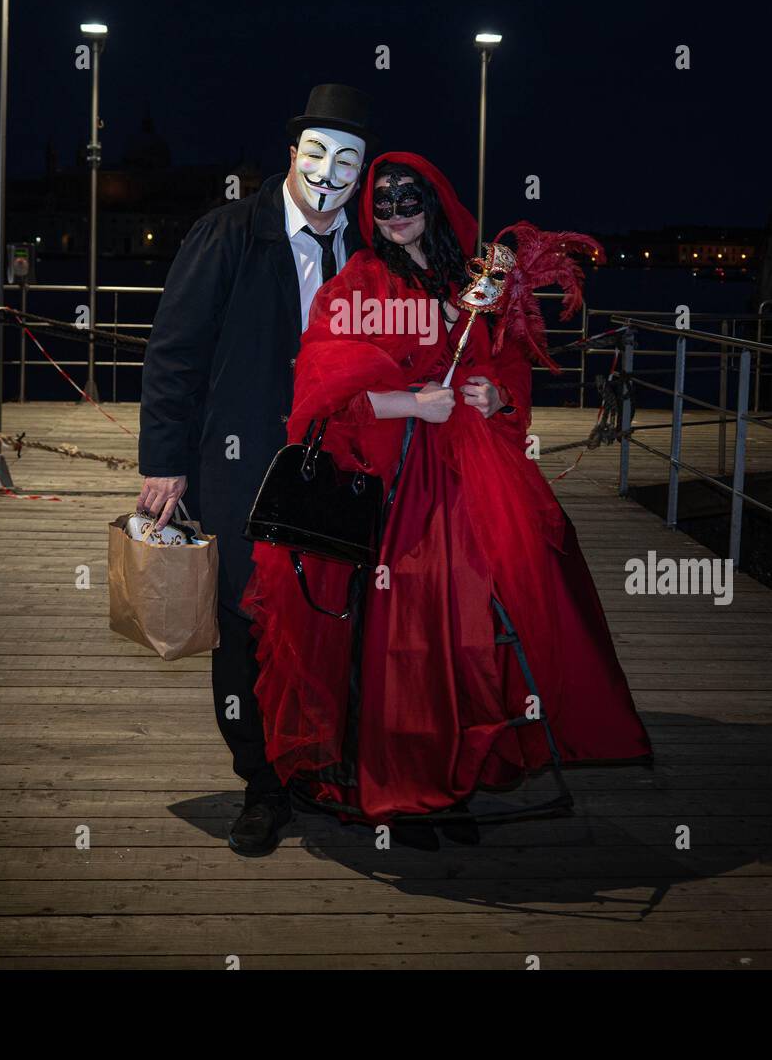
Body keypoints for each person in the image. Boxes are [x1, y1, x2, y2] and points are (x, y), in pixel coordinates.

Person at [240, 151, 652, 849]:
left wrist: (497, 397)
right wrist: (409, 401)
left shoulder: (474, 282)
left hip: (471, 478)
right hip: (393, 482)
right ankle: (401, 789)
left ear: (433, 202)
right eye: (384, 204)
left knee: (468, 633)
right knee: (399, 640)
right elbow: (320, 391)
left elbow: (507, 368)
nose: (398, 214)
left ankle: (457, 777)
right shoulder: (356, 285)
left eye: (411, 201)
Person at [137, 83, 373, 856]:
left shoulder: (367, 253)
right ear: (292, 154)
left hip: (333, 472)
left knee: (322, 620)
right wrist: (165, 464)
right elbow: (174, 352)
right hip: (240, 466)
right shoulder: (229, 233)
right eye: (317, 153)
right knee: (244, 626)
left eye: (348, 160)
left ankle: (317, 768)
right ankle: (261, 784)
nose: (329, 172)